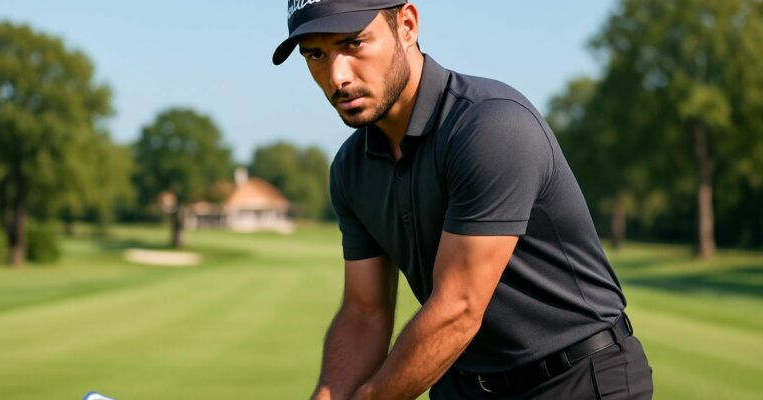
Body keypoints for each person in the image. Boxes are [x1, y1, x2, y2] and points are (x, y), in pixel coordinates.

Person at [272, 1, 654, 399]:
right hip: (464, 384)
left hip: (576, 379)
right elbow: (364, 313)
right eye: (315, 54)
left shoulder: (490, 126)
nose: (337, 76)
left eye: (353, 43)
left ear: (406, 25)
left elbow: (458, 308)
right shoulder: (351, 169)